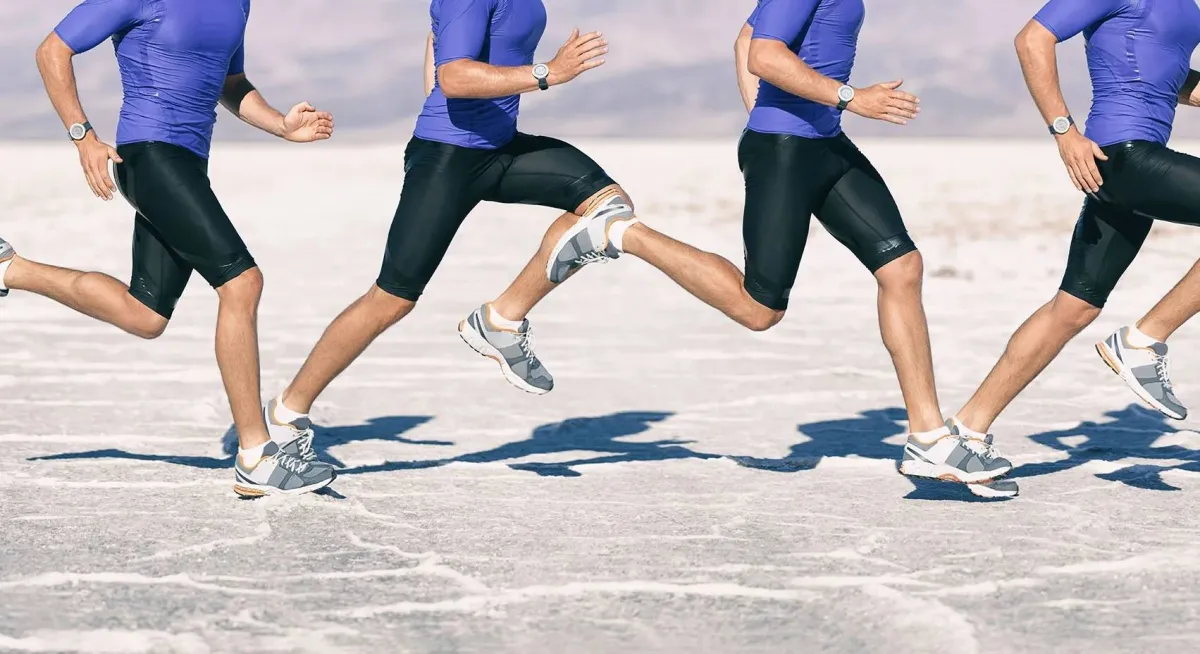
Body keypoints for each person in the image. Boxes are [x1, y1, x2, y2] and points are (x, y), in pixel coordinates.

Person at [0, 0, 336, 497]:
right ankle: (255, 456)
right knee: (242, 283)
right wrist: (83, 136)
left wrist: (281, 125)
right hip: (151, 157)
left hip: (187, 164)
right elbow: (52, 50)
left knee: (145, 315)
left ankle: (11, 269)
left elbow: (230, 83)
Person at [950, 0, 1200, 459]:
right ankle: (1143, 342)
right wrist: (1064, 131)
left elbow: (1162, 71)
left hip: (1126, 168)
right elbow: (1032, 38)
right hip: (1122, 156)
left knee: (1074, 308)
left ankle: (964, 433)